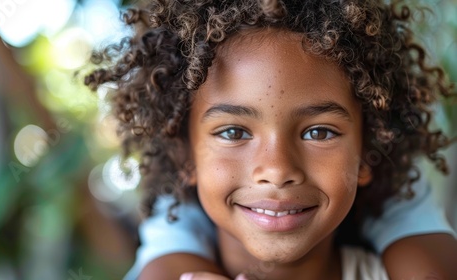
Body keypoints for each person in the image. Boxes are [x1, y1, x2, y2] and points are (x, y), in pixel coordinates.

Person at [85, 0, 457, 279]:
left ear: (368, 153)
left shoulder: (401, 223)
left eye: (319, 132)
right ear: (185, 157)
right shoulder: (177, 227)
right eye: (233, 132)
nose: (277, 169)